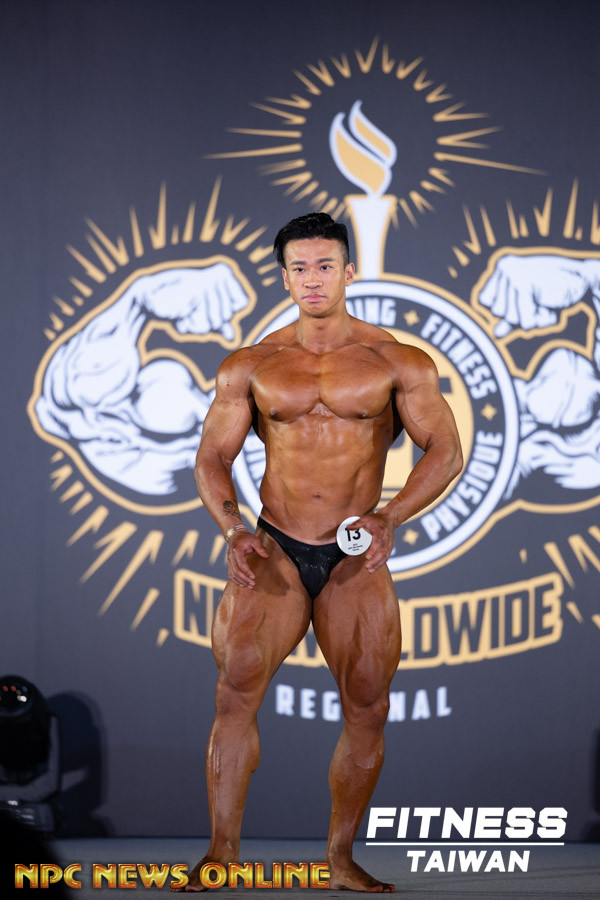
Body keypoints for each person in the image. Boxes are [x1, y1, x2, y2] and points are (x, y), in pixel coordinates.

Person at [177, 213, 462, 893]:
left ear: (349, 272)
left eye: (325, 266)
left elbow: (446, 451)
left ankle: (339, 858)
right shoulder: (252, 365)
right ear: (284, 277)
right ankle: (221, 855)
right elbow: (212, 456)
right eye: (299, 268)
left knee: (368, 705)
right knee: (234, 694)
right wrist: (232, 530)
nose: (313, 279)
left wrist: (390, 516)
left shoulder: (397, 361)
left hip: (354, 554)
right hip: (273, 547)